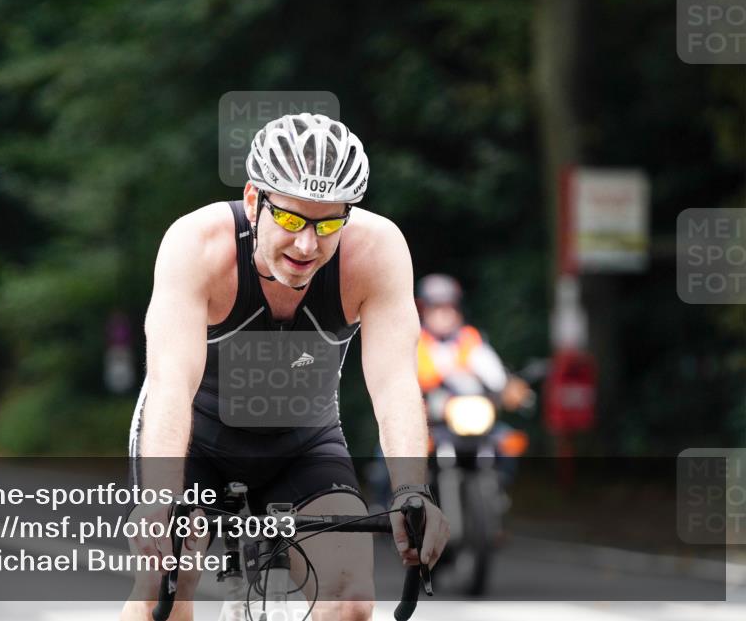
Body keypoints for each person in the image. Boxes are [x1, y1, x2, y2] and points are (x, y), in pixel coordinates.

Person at [123, 113, 449, 621]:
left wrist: (412, 491)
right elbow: (170, 383)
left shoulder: (376, 251)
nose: (306, 246)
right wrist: (159, 498)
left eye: (329, 224)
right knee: (165, 590)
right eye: (293, 220)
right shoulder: (198, 245)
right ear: (254, 200)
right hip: (197, 441)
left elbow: (394, 384)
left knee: (351, 600)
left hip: (303, 444)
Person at [415, 273, 531, 409]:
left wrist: (506, 387)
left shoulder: (469, 337)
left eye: (450, 307)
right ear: (423, 310)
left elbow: (490, 368)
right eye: (437, 308)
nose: (445, 314)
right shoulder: (417, 342)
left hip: (474, 409)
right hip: (432, 412)